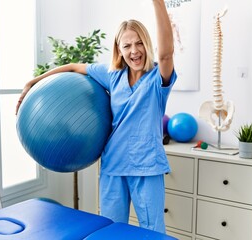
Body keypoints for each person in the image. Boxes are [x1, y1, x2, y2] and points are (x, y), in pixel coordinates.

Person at [16, 0, 176, 233]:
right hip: (113, 165)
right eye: (127, 45)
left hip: (146, 168)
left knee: (151, 231)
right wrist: (33, 82)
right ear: (119, 50)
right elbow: (72, 67)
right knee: (110, 230)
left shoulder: (157, 78)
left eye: (139, 43)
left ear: (147, 44)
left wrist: (158, 2)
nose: (134, 50)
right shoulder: (113, 75)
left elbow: (166, 54)